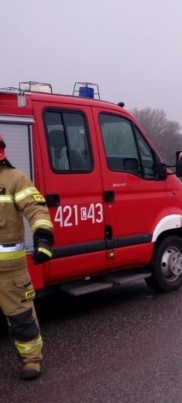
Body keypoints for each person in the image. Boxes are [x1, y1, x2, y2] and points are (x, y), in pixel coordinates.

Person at [0, 133, 54, 380]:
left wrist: (43, 238)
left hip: (9, 273)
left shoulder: (15, 180)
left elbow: (36, 209)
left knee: (21, 317)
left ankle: (31, 360)